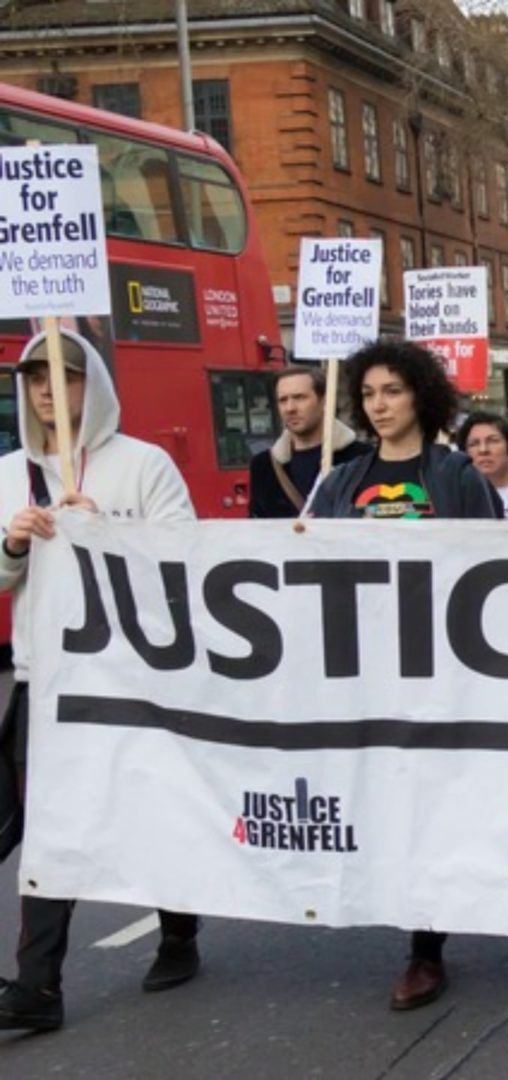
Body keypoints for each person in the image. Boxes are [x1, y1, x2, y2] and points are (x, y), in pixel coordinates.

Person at [0, 329, 203, 1033]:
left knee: (150, 812)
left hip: (133, 679)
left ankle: (178, 931)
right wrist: (13, 544)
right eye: (34, 379)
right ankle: (38, 987)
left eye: (63, 376)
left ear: (97, 385)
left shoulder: (143, 465)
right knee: (51, 830)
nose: (47, 390)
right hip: (46, 682)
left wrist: (111, 537)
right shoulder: (7, 474)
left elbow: (184, 562)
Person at [307, 340, 495, 1010]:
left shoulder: (454, 476)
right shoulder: (339, 482)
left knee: (431, 801)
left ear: (421, 394)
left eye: (392, 391)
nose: (379, 405)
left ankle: (426, 947)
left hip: (439, 666)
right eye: (368, 395)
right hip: (365, 668)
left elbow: (492, 567)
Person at [248, 367, 369, 518]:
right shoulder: (263, 465)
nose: (290, 408)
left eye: (299, 398)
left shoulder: (362, 458)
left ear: (325, 401)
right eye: (283, 400)